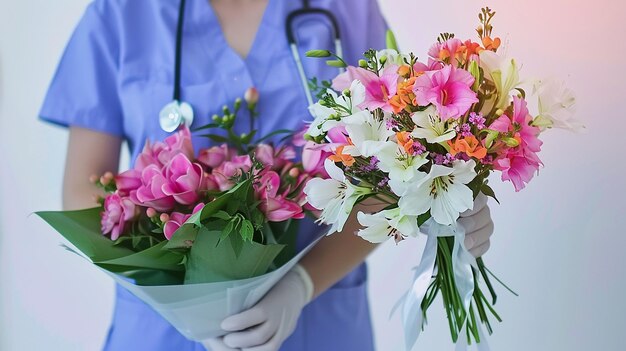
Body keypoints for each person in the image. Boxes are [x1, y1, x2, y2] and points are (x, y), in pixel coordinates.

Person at [39, 0, 494, 350]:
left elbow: (383, 183)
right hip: (163, 332)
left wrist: (299, 286)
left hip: (319, 318)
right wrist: (182, 295)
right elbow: (84, 191)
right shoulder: (122, 13)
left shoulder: (347, 10)